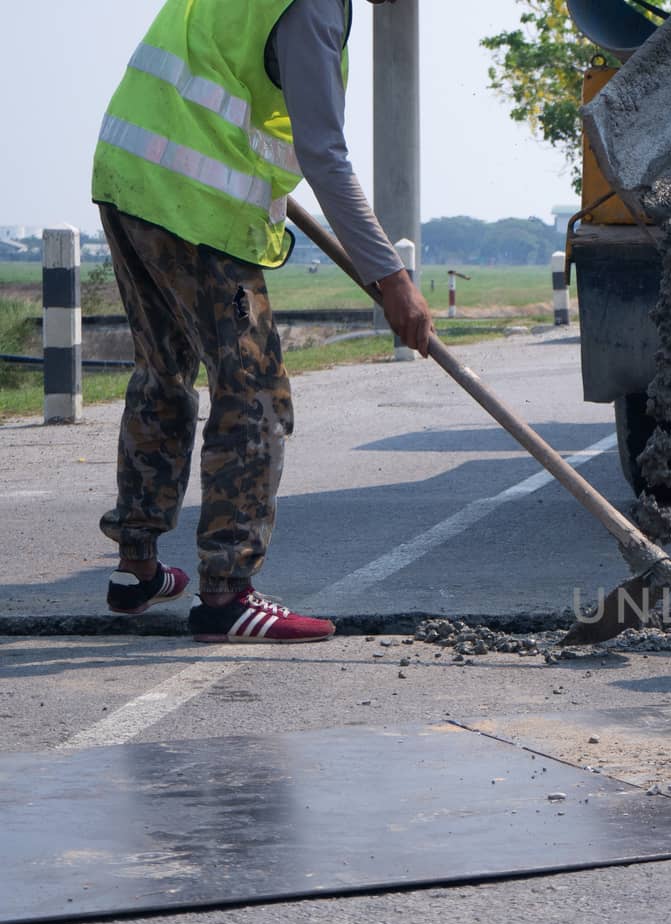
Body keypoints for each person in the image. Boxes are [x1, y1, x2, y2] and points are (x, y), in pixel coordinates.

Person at [93, 0, 432, 644]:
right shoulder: (313, 8)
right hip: (195, 206)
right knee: (253, 395)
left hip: (129, 173)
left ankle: (136, 567)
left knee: (160, 374)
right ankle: (227, 595)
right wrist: (393, 280)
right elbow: (324, 153)